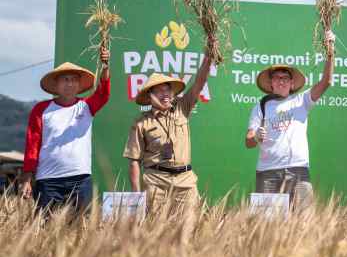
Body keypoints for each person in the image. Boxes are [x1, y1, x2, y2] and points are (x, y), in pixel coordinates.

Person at [245, 30, 336, 210]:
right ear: (271, 83)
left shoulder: (301, 100)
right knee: (266, 226)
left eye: (285, 78)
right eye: (277, 78)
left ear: (292, 84)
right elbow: (248, 141)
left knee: (303, 225)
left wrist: (330, 49)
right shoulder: (260, 106)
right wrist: (255, 137)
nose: (281, 81)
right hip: (267, 173)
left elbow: (326, 81)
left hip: (299, 171)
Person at [20, 48, 111, 212]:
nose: (69, 83)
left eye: (74, 80)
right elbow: (32, 145)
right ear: (56, 84)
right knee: (45, 229)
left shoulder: (87, 106)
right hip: (48, 180)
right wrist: (27, 178)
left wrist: (105, 66)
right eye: (65, 79)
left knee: (81, 230)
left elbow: (103, 92)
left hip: (80, 179)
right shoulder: (41, 109)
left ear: (79, 84)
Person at [123, 47, 214, 211]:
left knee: (192, 229)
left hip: (185, 181)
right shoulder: (141, 123)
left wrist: (208, 56)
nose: (165, 94)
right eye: (159, 90)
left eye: (167, 89)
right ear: (150, 95)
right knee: (154, 231)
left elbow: (199, 83)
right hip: (155, 183)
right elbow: (134, 161)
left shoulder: (183, 107)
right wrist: (136, 196)